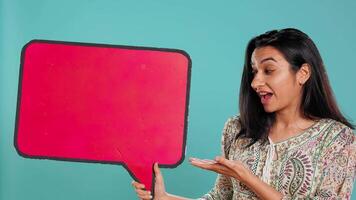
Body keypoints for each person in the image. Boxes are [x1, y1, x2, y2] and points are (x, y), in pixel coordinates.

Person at [132, 28, 356, 199]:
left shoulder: (338, 140)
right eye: (254, 72)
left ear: (303, 73)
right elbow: (221, 198)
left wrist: (247, 178)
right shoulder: (237, 130)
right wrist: (164, 197)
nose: (256, 82)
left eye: (268, 70)